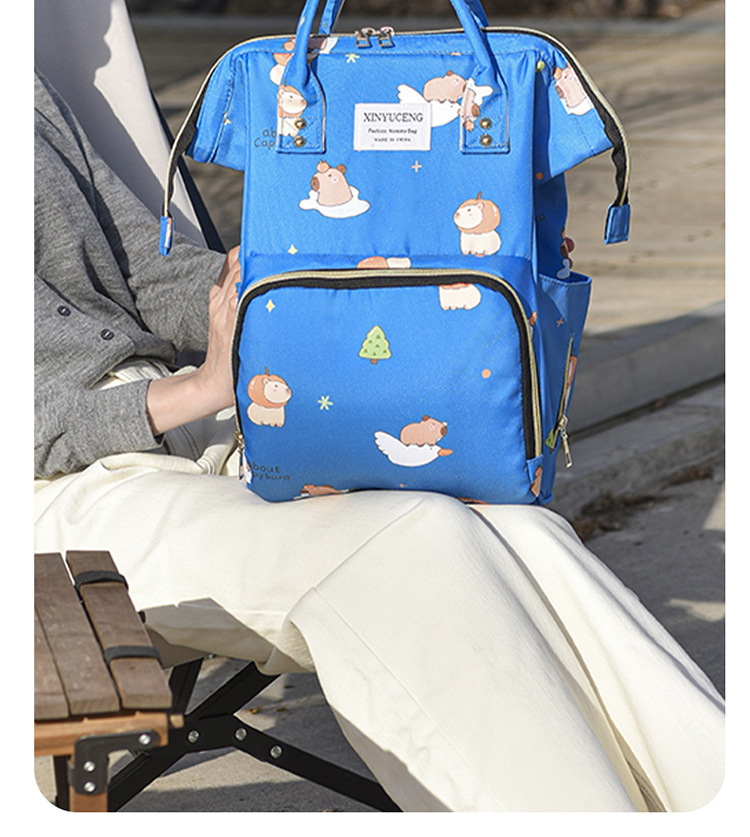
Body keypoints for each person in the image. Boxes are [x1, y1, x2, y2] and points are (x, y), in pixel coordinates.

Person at [34, 70, 724, 813]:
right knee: (410, 542)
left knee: (522, 534)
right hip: (62, 493)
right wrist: (196, 390)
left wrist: (307, 279)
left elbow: (144, 274)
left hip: (194, 436)